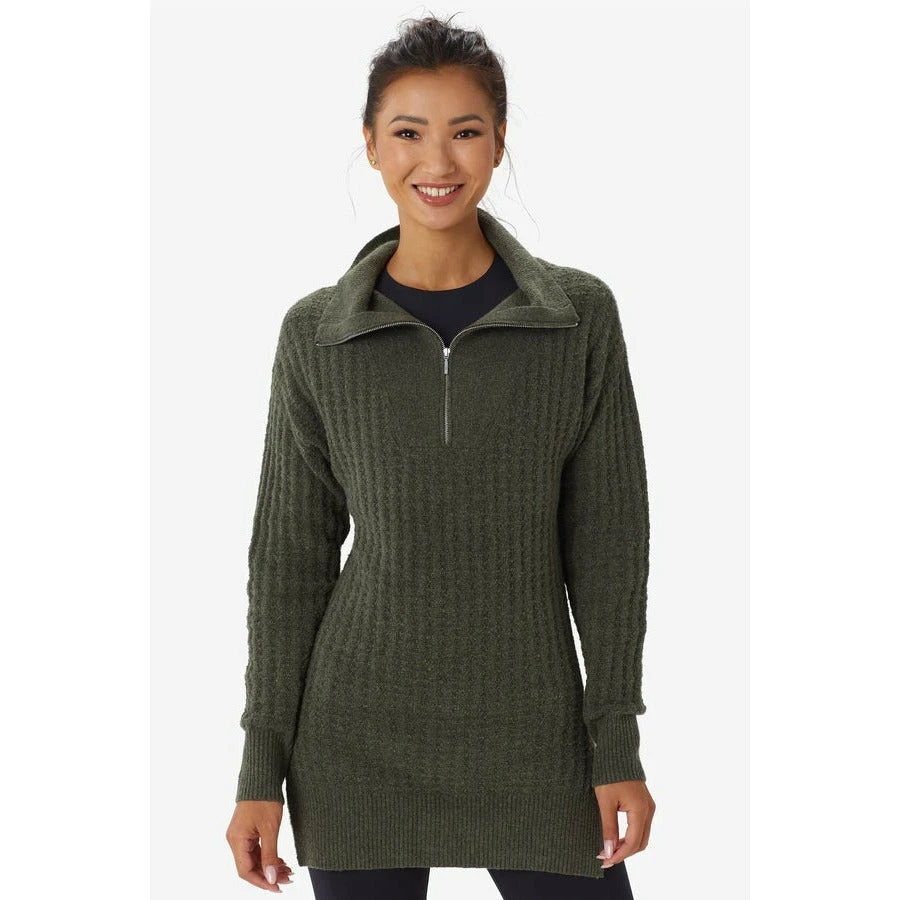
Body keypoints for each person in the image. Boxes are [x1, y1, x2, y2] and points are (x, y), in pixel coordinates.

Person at [225, 13, 656, 899]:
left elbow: (611, 545)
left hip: (538, 736)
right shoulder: (318, 333)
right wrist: (259, 766)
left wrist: (616, 740)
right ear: (371, 146)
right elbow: (289, 562)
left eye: (464, 132)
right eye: (408, 133)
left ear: (499, 140)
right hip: (354, 741)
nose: (437, 161)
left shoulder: (578, 318)